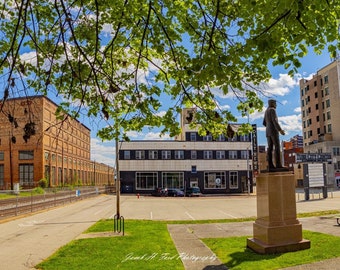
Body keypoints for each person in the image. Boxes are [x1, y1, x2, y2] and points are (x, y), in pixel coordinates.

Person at [263, 99, 285, 171]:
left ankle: (270, 165)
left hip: (268, 131)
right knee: (277, 147)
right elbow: (274, 120)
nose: (276, 105)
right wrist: (280, 130)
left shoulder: (266, 111)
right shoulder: (272, 110)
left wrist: (268, 125)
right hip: (273, 131)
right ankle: (278, 164)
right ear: (272, 103)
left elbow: (264, 123)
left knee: (270, 148)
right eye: (275, 103)